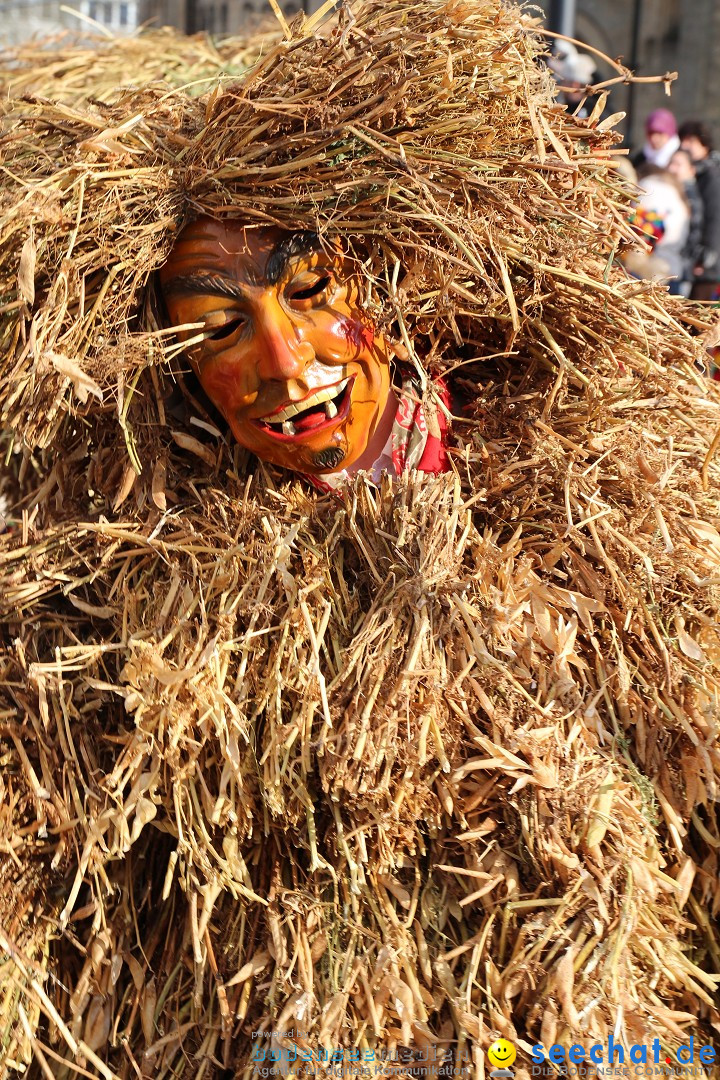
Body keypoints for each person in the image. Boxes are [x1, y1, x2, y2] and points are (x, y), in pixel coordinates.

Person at [159, 218, 451, 489]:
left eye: (309, 289)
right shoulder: (221, 514)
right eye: (224, 329)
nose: (287, 364)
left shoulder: (481, 419)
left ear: (379, 286)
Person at [678, 120, 720, 300]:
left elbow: (714, 217)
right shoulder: (694, 172)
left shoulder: (711, 175)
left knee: (700, 319)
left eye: (691, 141)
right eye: (683, 140)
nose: (685, 145)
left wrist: (705, 257)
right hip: (690, 259)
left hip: (707, 267)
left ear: (705, 144)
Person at [667, 147, 704, 295]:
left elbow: (694, 233)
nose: (672, 168)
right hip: (666, 266)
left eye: (678, 164)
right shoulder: (671, 190)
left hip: (679, 270)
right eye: (670, 163)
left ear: (691, 169)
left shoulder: (690, 196)